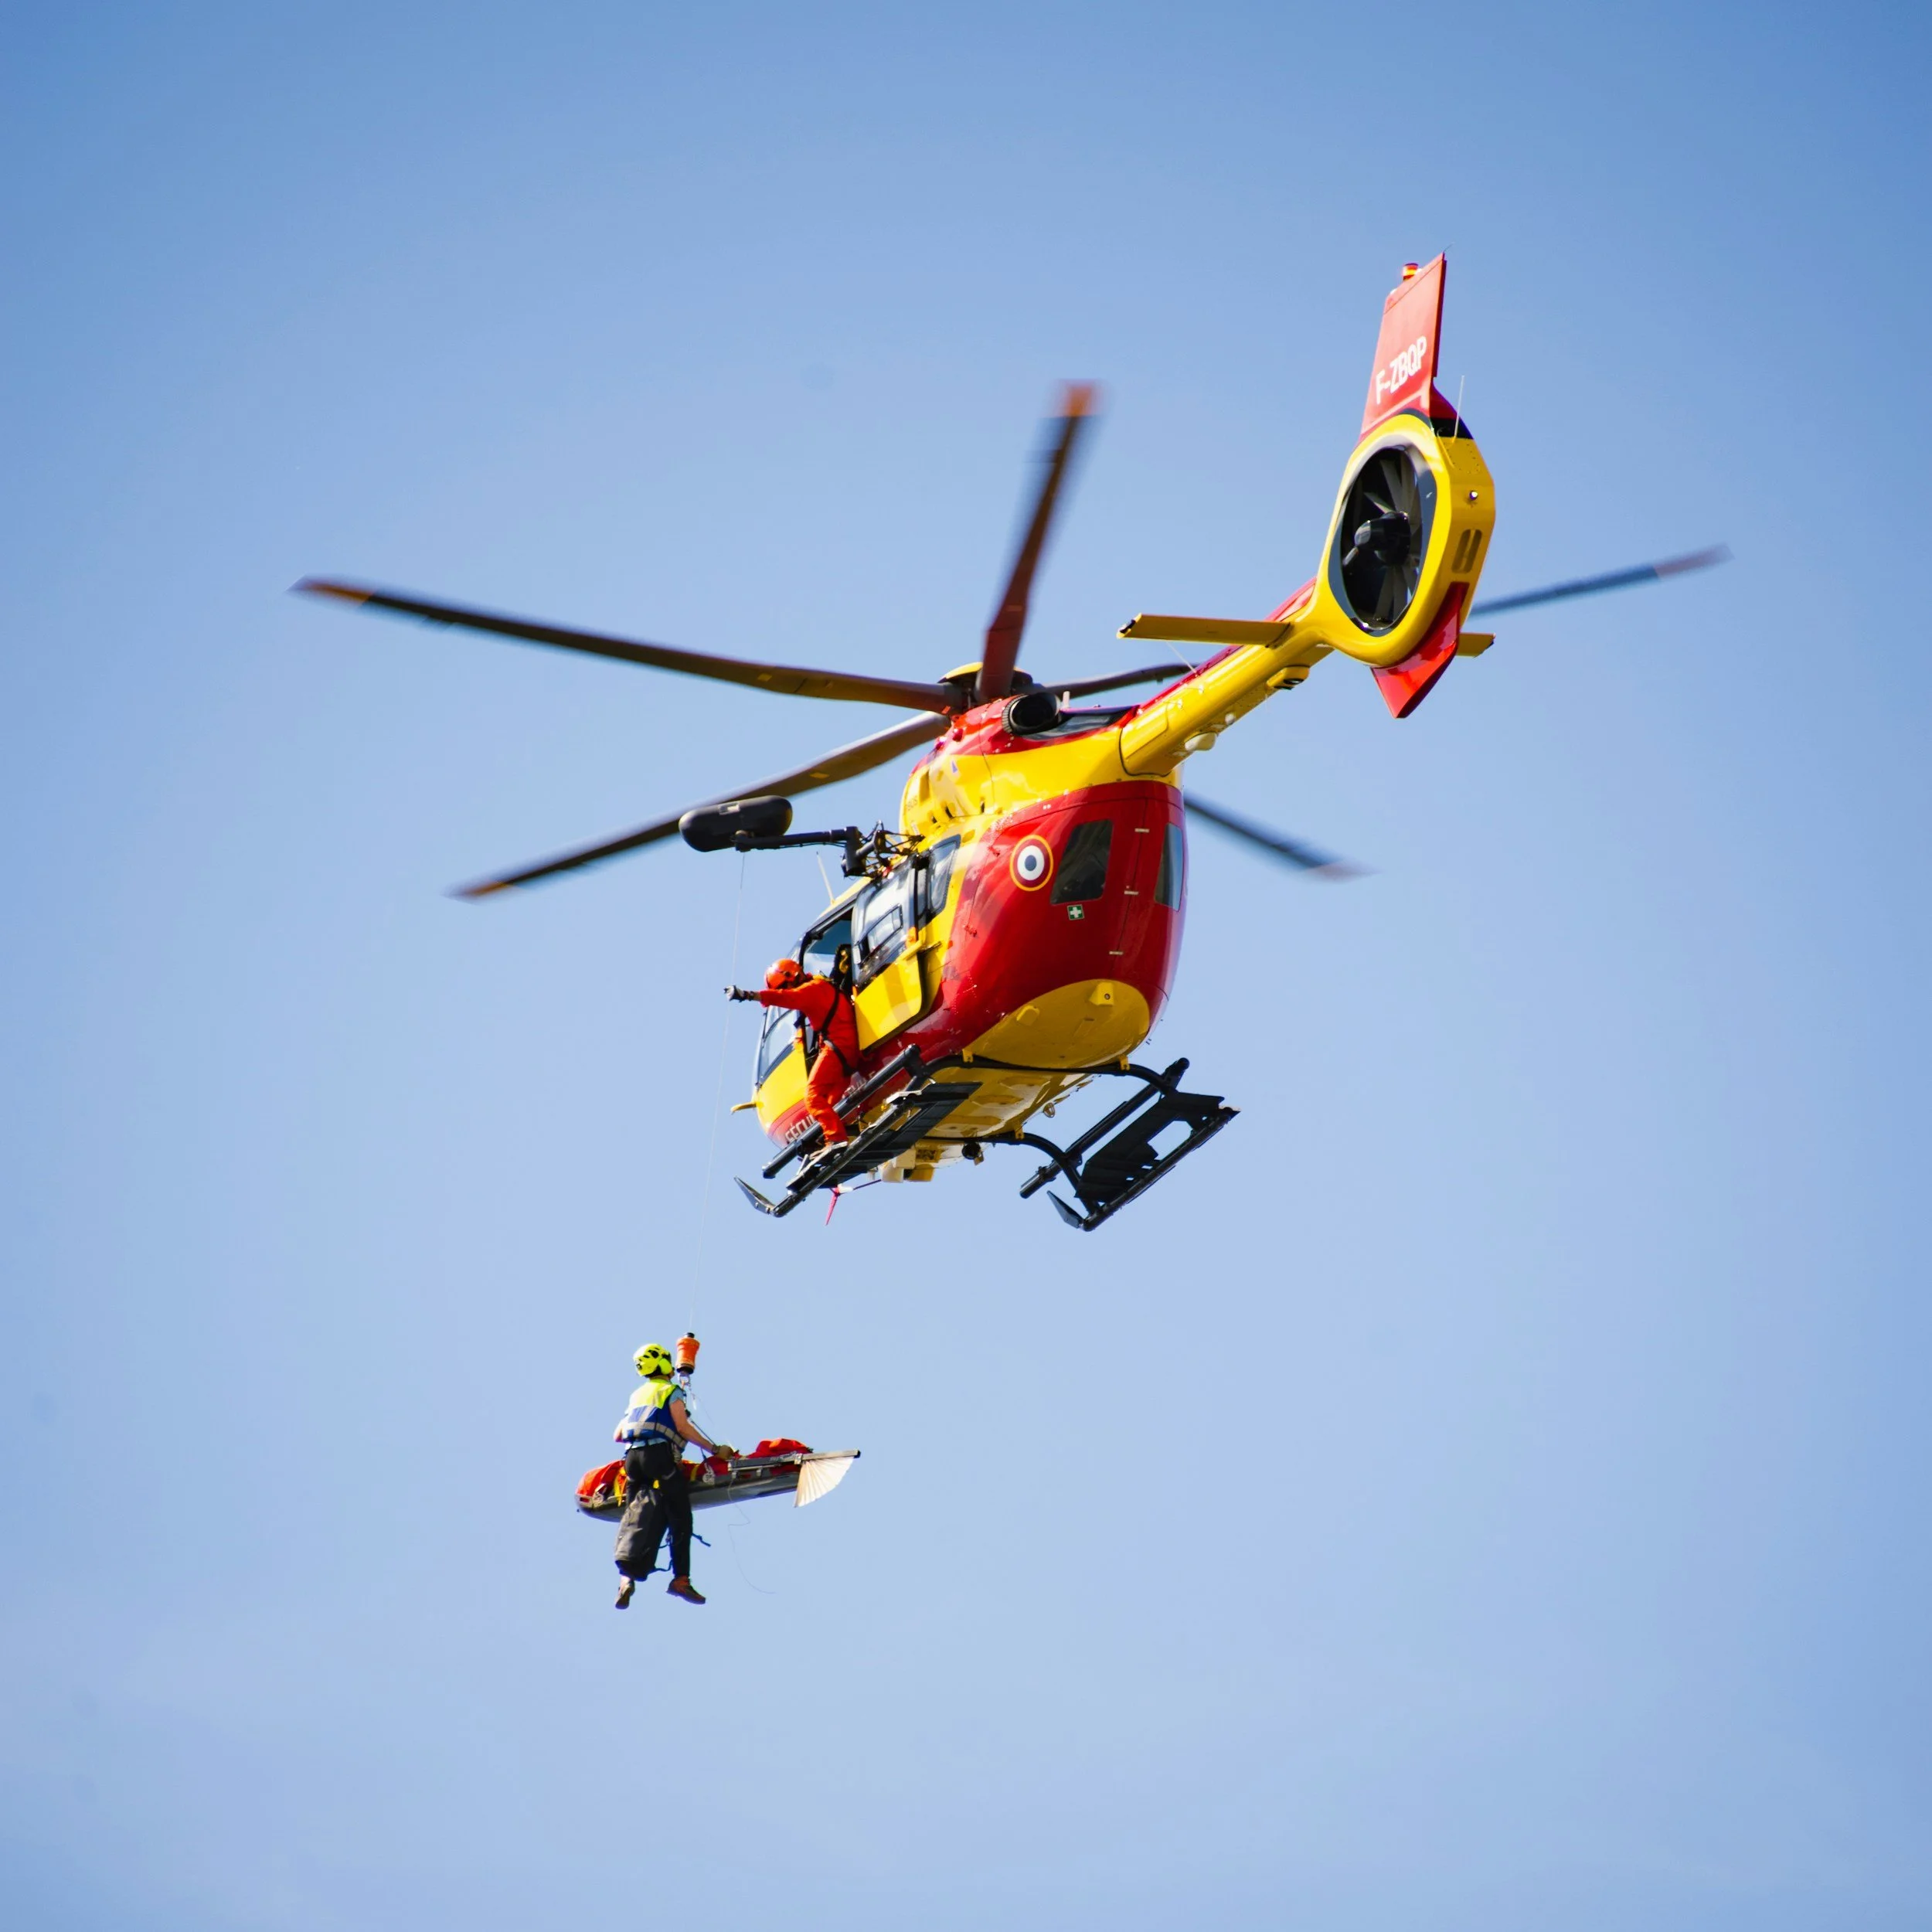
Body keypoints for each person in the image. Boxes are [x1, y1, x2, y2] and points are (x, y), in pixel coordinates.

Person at [612, 1342, 735, 1608]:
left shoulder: (637, 1395)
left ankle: (625, 1580)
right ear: (665, 1363)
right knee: (679, 1516)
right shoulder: (671, 1390)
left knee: (634, 1518)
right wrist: (715, 1449)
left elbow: (618, 1435)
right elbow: (683, 1427)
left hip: (632, 1461)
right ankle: (680, 1579)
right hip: (659, 1458)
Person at [729, 956, 859, 1145]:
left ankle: (836, 1139)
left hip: (838, 1048)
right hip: (849, 1049)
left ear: (790, 977)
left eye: (783, 987)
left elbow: (787, 998)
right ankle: (837, 1136)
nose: (785, 991)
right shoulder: (821, 985)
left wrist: (748, 995)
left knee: (813, 1098)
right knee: (830, 1102)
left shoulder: (809, 991)